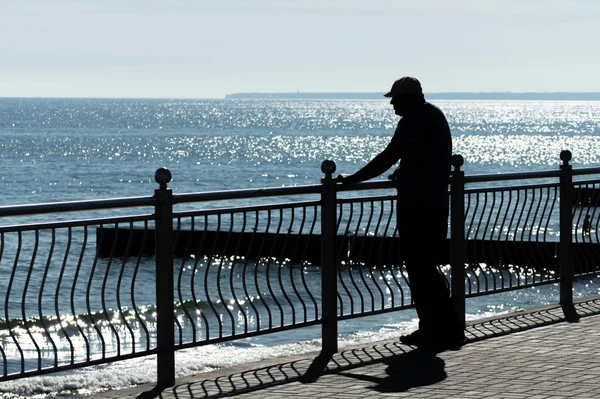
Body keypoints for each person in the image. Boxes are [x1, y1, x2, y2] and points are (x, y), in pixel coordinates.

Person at [337, 76, 464, 350]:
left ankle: (434, 330)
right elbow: (422, 156)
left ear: (409, 98)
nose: (392, 103)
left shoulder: (414, 120)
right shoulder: (433, 116)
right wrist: (405, 169)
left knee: (420, 270)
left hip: (418, 205)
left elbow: (388, 155)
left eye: (395, 98)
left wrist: (353, 179)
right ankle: (446, 328)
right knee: (427, 269)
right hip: (435, 202)